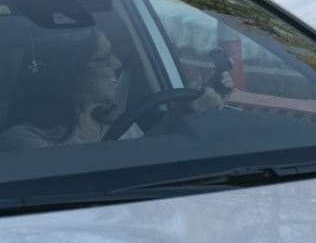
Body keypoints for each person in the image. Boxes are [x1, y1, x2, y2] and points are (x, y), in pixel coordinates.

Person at [0, 27, 231, 151]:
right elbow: (95, 185)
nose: (117, 64)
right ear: (71, 72)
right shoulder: (22, 141)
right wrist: (169, 120)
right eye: (106, 57)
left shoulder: (120, 123)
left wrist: (184, 111)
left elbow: (144, 163)